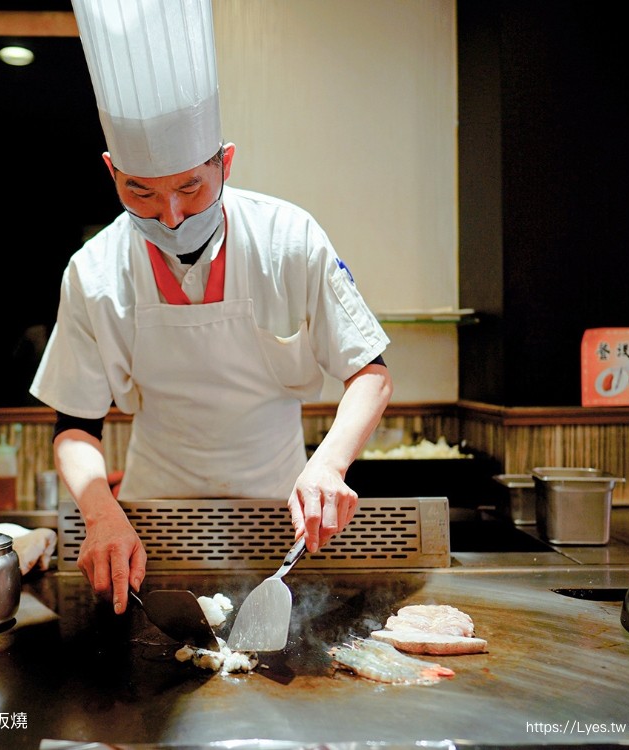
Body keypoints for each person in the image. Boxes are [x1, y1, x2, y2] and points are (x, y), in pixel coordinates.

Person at [30, 0, 392, 615]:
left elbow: (370, 370)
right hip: (148, 531)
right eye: (139, 191)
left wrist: (329, 465)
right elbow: (75, 426)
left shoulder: (288, 238)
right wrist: (100, 514)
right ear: (111, 170)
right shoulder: (94, 272)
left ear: (224, 162)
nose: (169, 216)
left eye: (190, 187)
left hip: (284, 523)